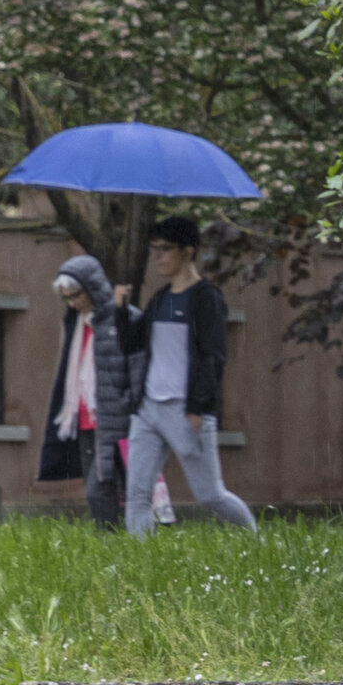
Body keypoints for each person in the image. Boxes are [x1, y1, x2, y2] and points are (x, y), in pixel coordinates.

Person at [121, 218, 257, 537]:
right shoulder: (160, 298)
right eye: (154, 249)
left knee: (210, 495)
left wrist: (199, 407)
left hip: (186, 409)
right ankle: (140, 565)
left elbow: (213, 356)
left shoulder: (206, 298)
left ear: (187, 251)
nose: (157, 257)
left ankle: (256, 541)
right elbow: (131, 345)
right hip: (148, 409)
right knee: (137, 494)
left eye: (165, 249)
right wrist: (120, 308)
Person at [37, 253, 141, 527]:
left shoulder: (123, 319)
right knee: (98, 490)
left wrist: (129, 406)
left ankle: (118, 542)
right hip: (82, 417)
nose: (73, 303)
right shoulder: (78, 324)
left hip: (112, 417)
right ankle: (111, 543)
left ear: (92, 288)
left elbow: (137, 368)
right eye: (67, 298)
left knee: (107, 487)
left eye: (76, 295)